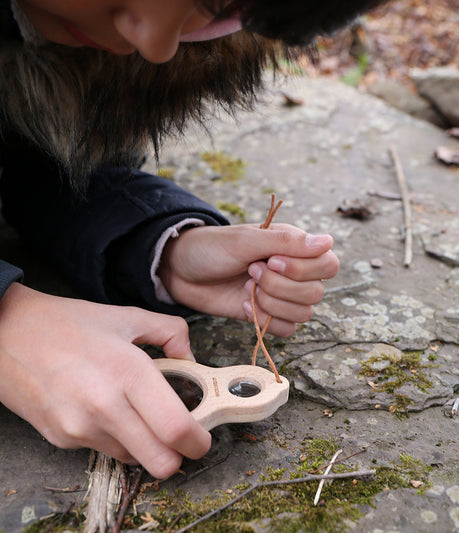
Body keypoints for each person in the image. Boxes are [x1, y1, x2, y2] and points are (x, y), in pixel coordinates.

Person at [0, 0, 384, 479]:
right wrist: (9, 324)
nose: (156, 47)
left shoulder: (99, 47)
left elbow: (45, 168)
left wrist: (162, 248)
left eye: (219, 10)